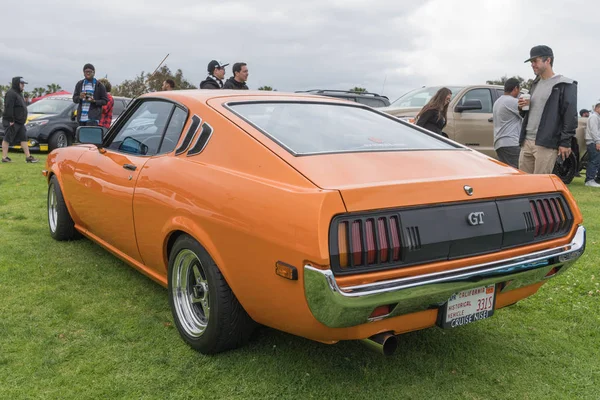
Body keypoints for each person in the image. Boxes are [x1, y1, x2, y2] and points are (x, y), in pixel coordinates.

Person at [518, 45, 578, 174]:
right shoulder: (535, 84)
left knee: (539, 187)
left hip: (546, 143)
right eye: (531, 62)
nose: (532, 65)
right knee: (523, 185)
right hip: (526, 141)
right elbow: (529, 113)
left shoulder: (564, 84)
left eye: (535, 61)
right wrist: (522, 108)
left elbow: (570, 116)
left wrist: (565, 142)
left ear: (548, 60)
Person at [2, 77, 38, 163]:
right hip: (13, 121)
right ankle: (4, 157)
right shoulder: (11, 93)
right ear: (16, 83)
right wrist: (10, 120)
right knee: (7, 138)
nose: (23, 86)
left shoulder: (18, 93)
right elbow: (8, 107)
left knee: (24, 138)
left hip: (20, 122)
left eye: (23, 84)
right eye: (21, 84)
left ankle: (28, 157)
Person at [492, 78, 522, 168]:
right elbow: (527, 115)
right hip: (511, 142)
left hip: (499, 143)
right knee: (516, 172)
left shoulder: (498, 102)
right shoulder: (512, 101)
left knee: (507, 172)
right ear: (516, 88)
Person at [584, 103, 600, 187]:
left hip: (595, 142)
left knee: (597, 161)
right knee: (594, 161)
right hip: (593, 142)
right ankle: (589, 180)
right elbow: (594, 131)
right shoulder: (594, 117)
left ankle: (594, 179)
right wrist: (598, 141)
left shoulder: (597, 117)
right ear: (597, 108)